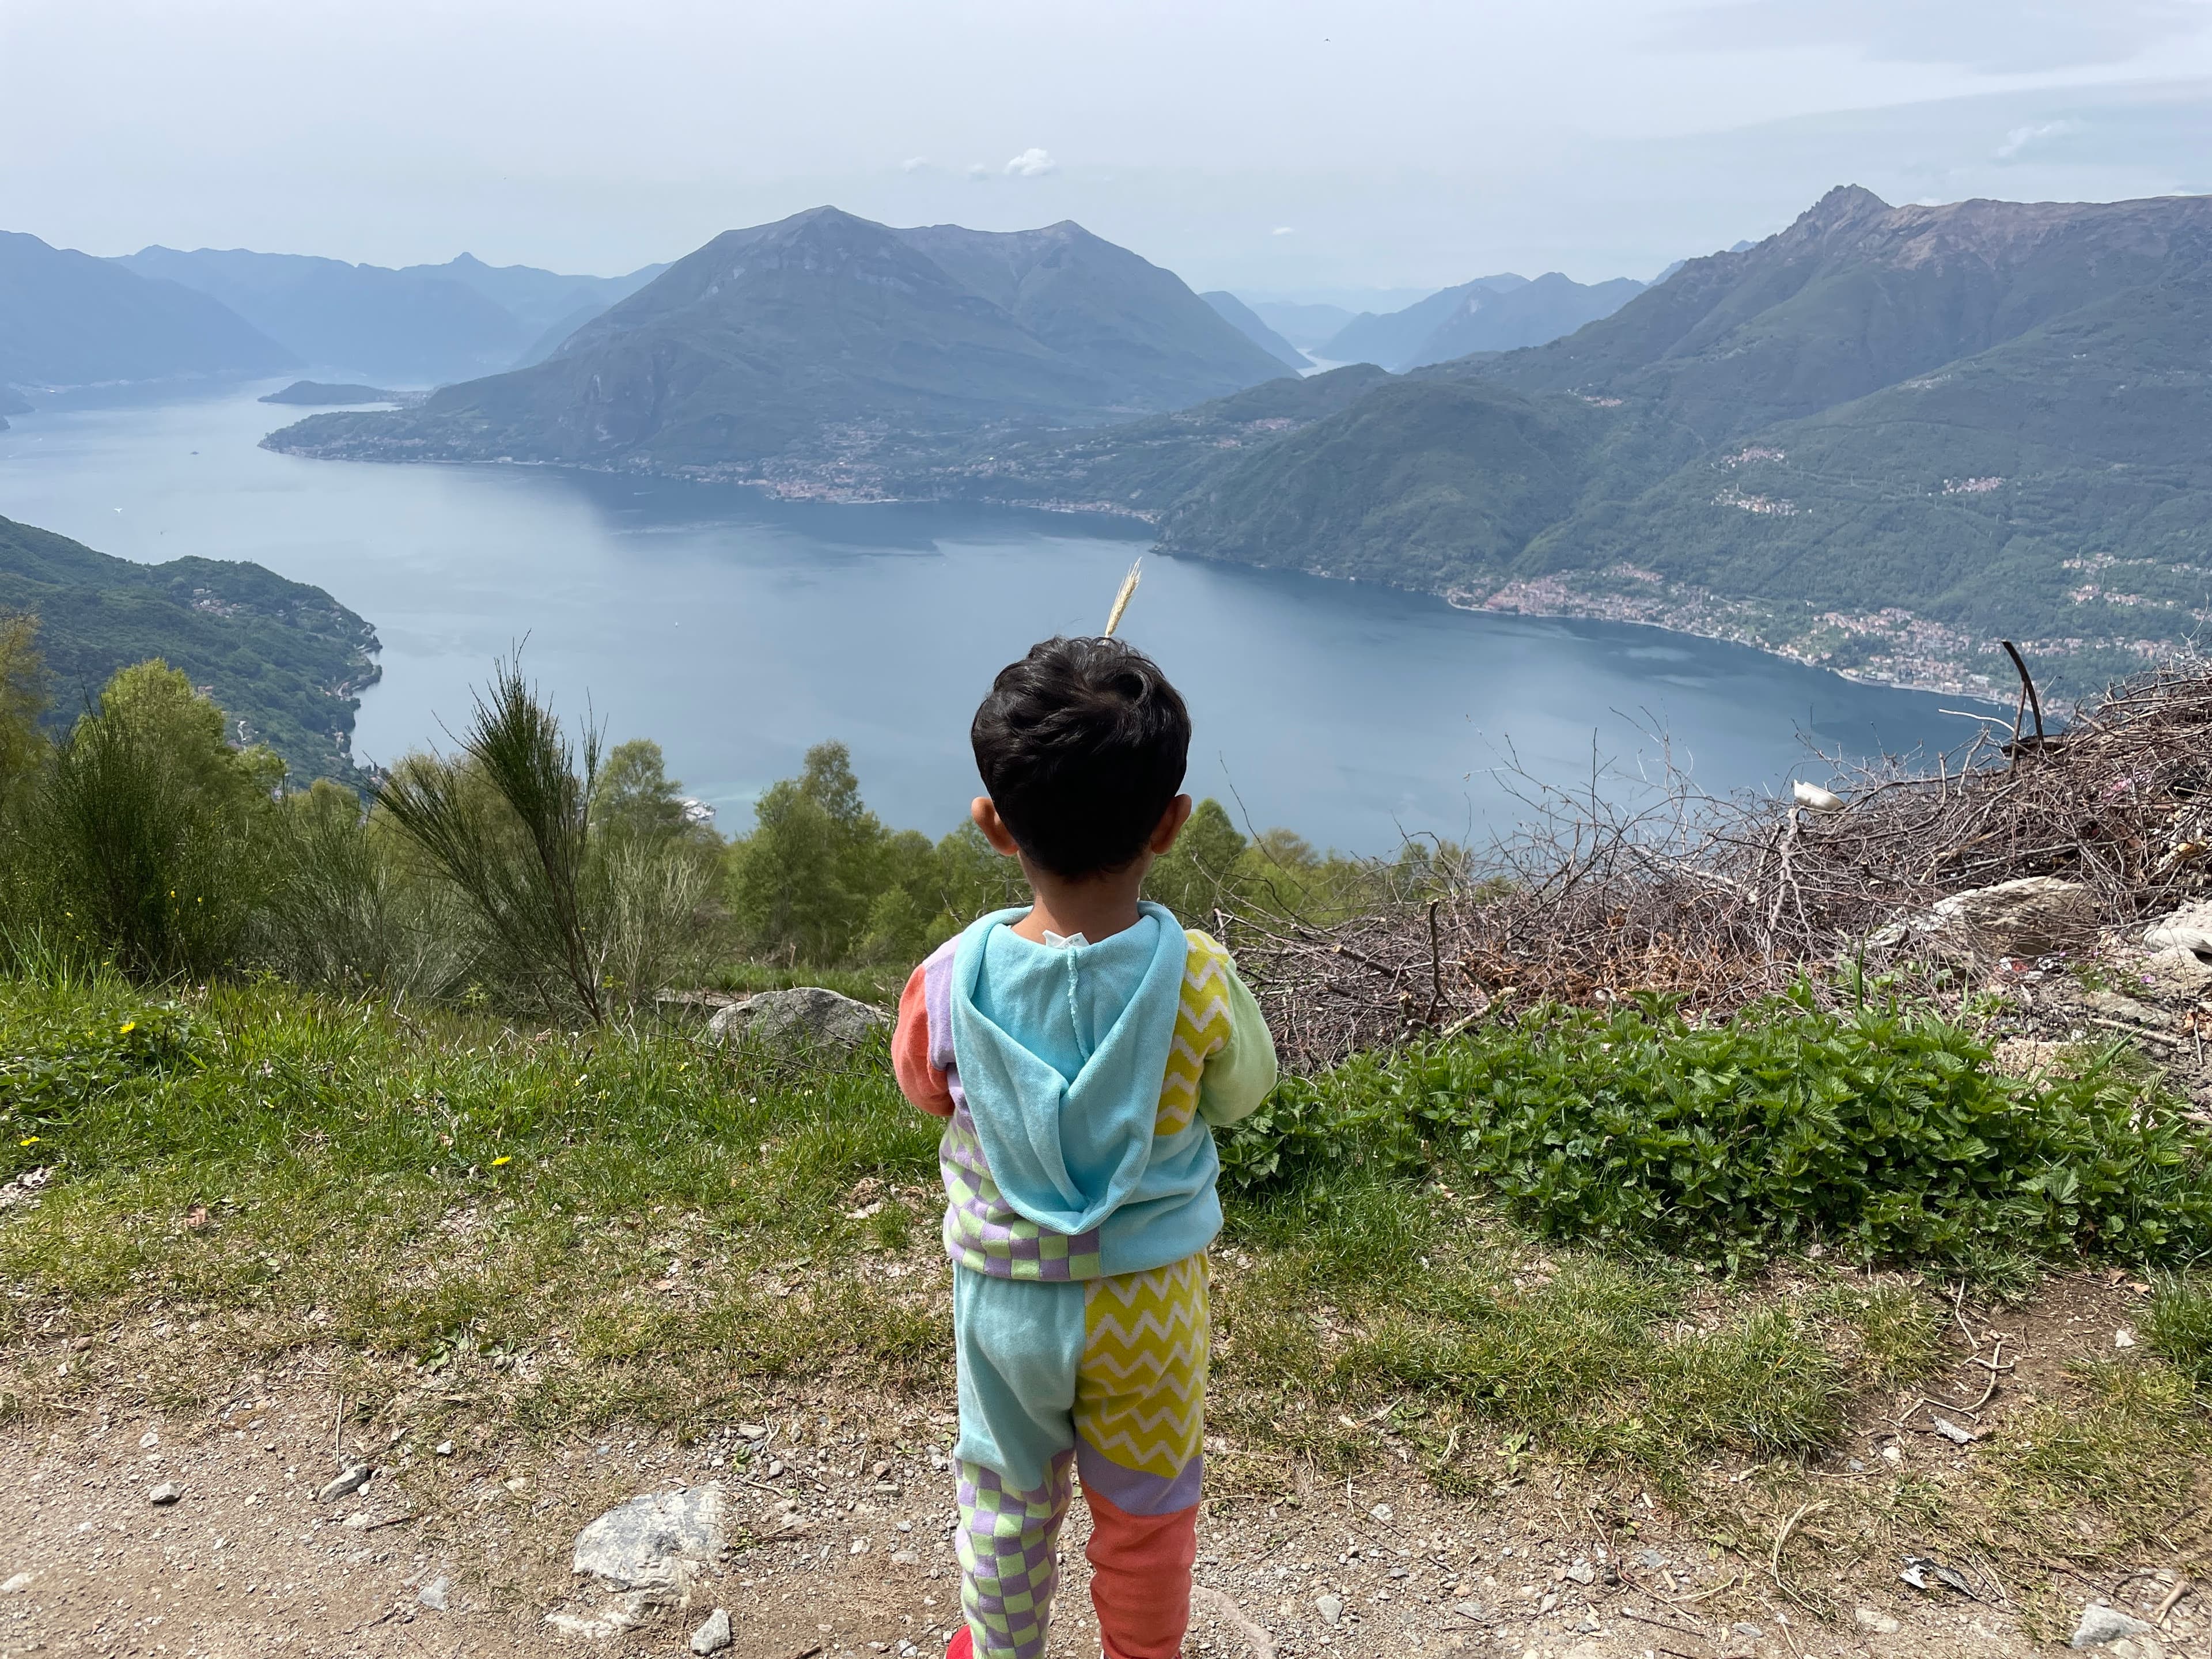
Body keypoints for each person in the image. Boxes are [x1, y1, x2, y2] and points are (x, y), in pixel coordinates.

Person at [892, 635, 1279, 1659]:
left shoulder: (948, 980)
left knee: (1005, 1502)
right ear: (1172, 824)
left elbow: (924, 1088)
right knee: (1148, 1519)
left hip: (1006, 1305)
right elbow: (1243, 1093)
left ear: (993, 825)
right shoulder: (1199, 978)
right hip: (1148, 1303)